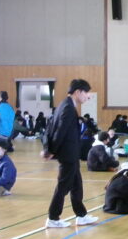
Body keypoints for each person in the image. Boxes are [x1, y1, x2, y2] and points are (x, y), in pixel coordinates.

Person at [42, 79, 99, 228]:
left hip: (71, 154)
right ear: (78, 92)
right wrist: (51, 150)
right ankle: (53, 218)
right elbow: (59, 131)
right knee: (63, 186)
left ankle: (81, 215)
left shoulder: (65, 105)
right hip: (67, 155)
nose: (88, 96)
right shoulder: (67, 108)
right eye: (86, 92)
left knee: (76, 185)